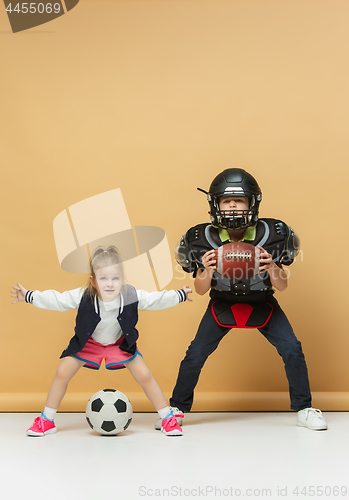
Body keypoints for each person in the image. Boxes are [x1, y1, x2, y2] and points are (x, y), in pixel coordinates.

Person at [155, 168, 327, 431]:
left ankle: (304, 408)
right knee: (196, 354)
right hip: (221, 303)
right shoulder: (200, 239)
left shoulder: (274, 233)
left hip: (263, 301)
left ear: (252, 203)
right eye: (226, 201)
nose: (233, 206)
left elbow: (283, 285)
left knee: (292, 349)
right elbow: (200, 290)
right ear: (216, 205)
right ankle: (176, 409)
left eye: (239, 200)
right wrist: (205, 269)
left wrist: (271, 266)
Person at [11, 246, 192, 437]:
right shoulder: (83, 296)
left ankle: (167, 418)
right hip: (89, 344)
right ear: (93, 281)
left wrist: (179, 295)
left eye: (115, 278)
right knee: (62, 372)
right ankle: (47, 420)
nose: (110, 284)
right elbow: (58, 300)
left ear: (122, 279)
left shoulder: (130, 295)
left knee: (145, 375)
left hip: (119, 344)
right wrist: (29, 296)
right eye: (103, 278)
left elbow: (154, 300)